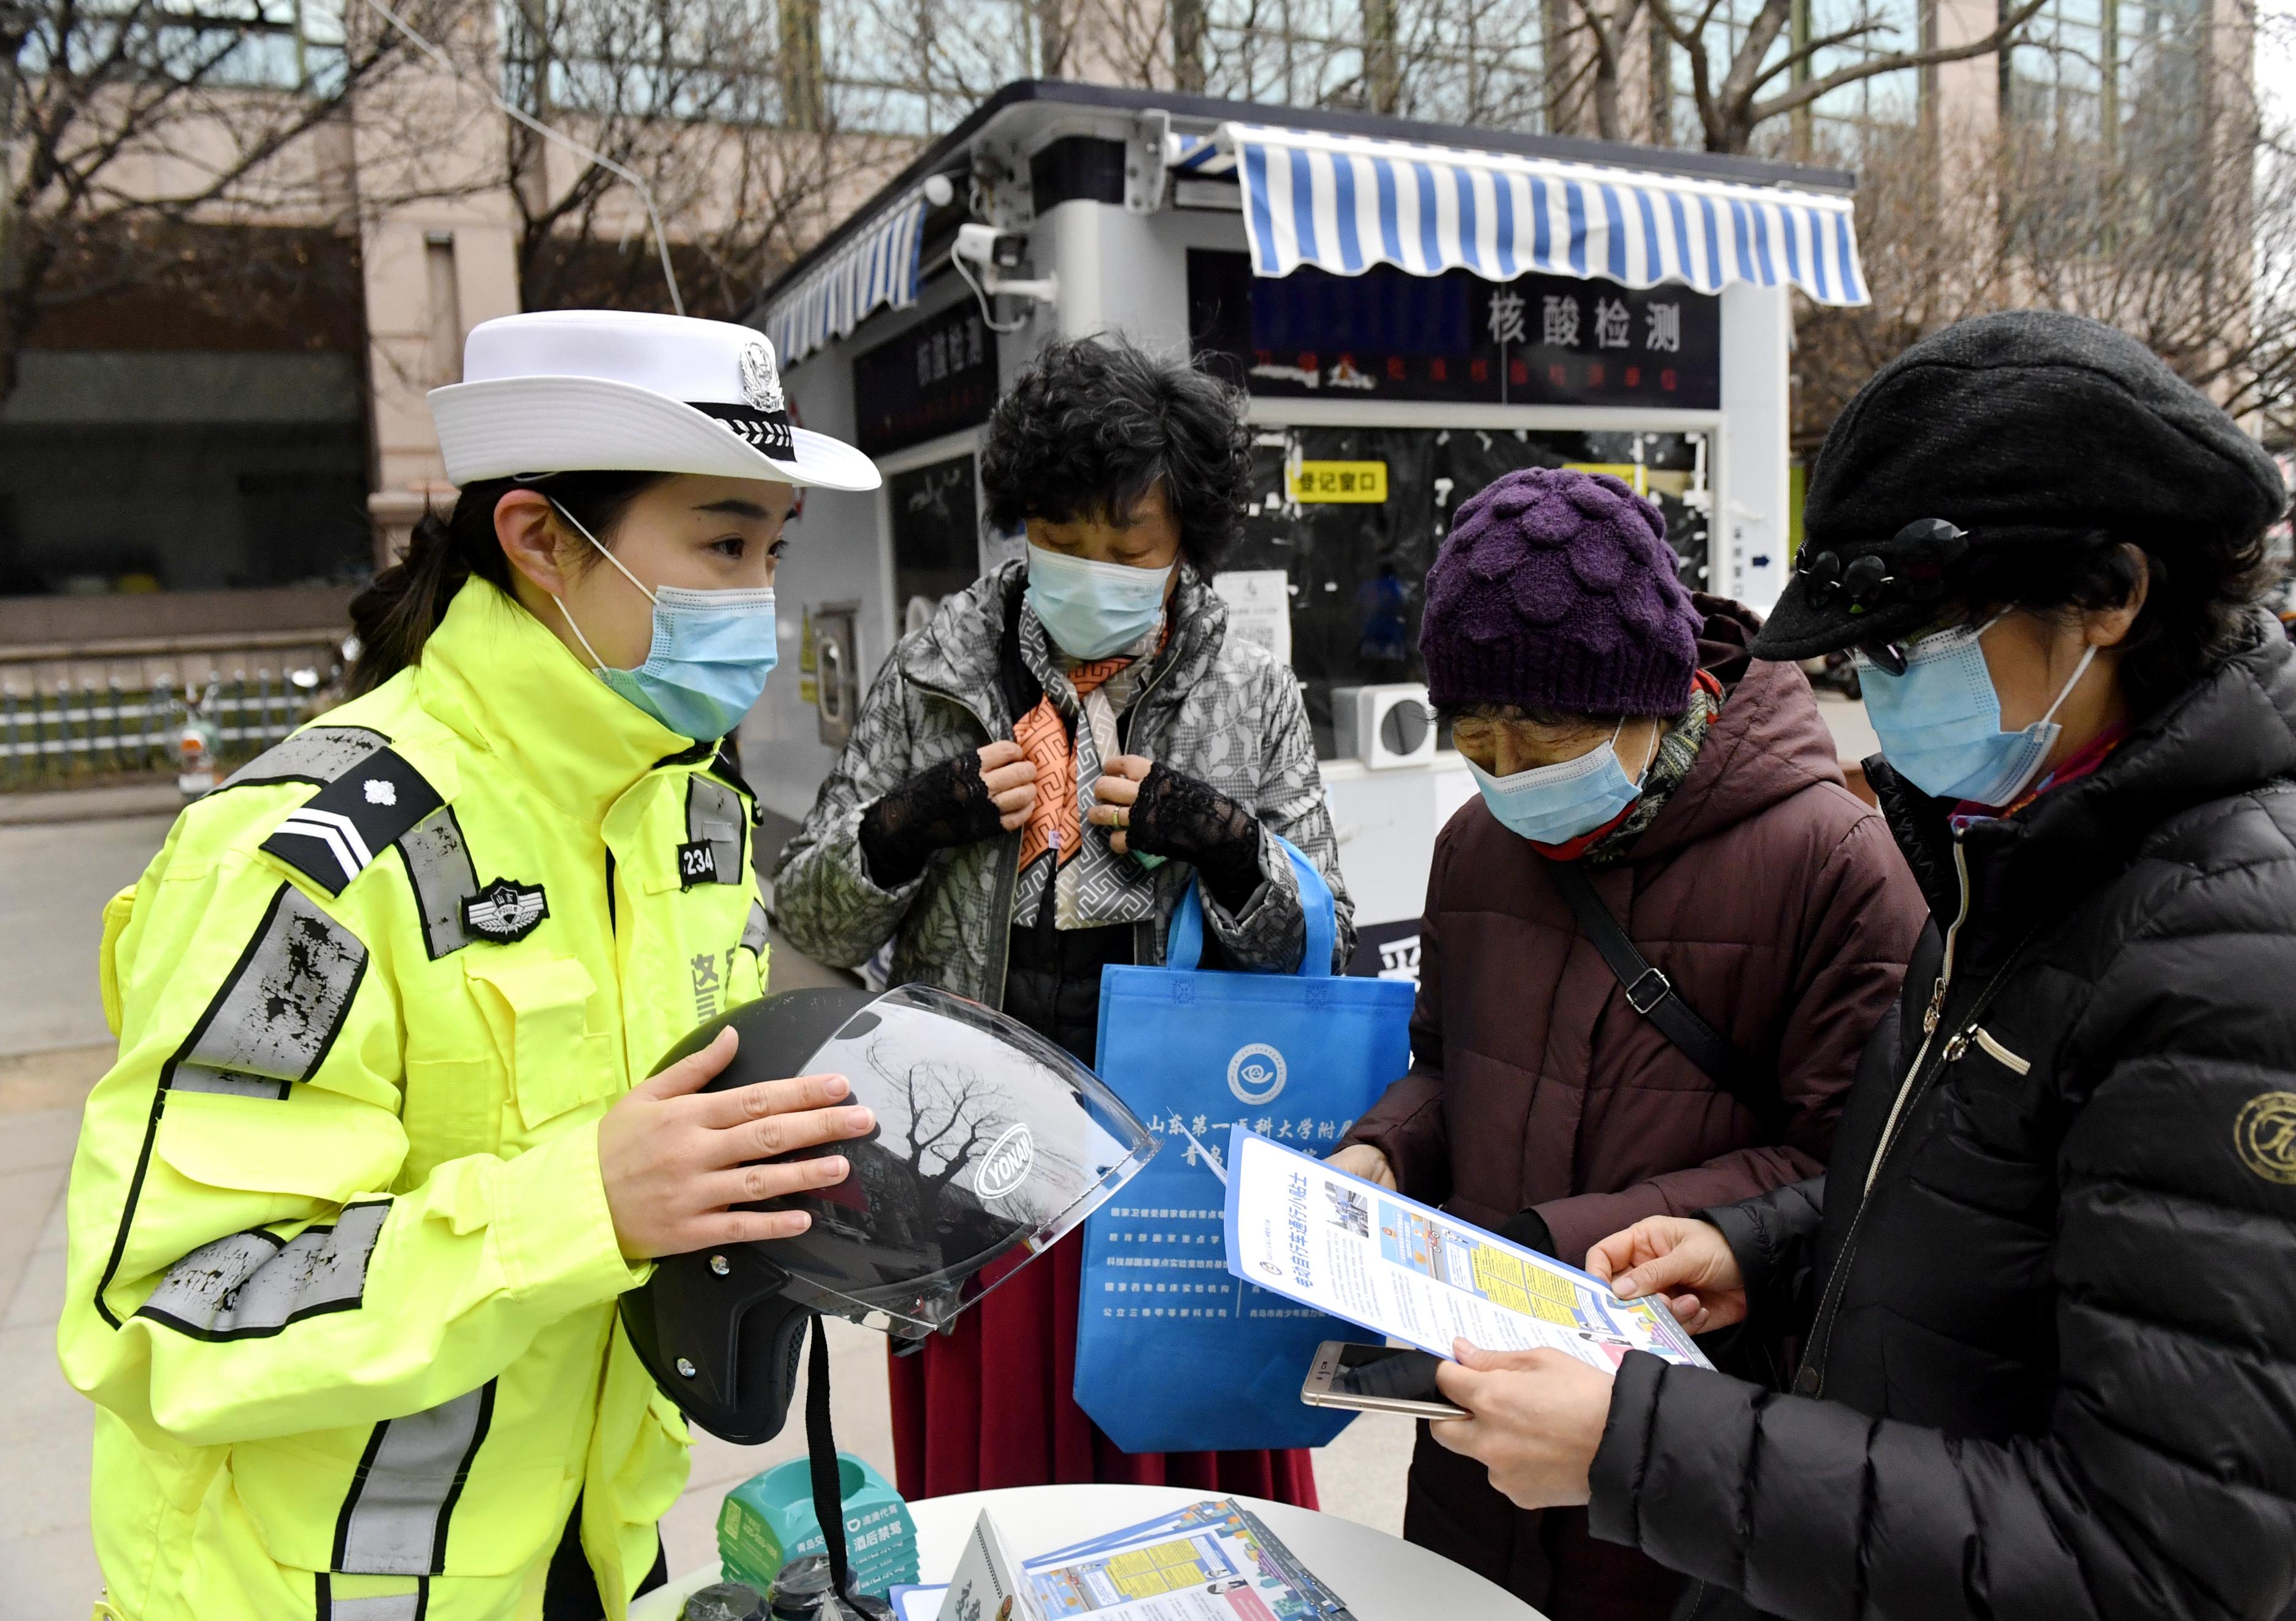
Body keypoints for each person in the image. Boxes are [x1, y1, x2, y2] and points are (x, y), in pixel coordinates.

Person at [1424, 312, 2296, 1621]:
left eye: (1913, 647)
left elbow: (2160, 1560)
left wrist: (1641, 1447)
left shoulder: (2286, 957)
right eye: (1863, 657)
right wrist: (1763, 1246)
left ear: (2114, 593)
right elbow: (1985, 1206)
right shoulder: (2015, 860)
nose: (1882, 697)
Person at [58, 310, 883, 1620]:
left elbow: (678, 1169)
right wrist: (585, 1207)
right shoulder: (302, 859)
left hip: (594, 1553)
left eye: (772, 551)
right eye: (723, 544)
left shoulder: (694, 825)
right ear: (541, 538)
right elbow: (169, 1313)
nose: (760, 604)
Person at [1323, 466, 1923, 1620]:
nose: (1511, 779)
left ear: (1654, 692)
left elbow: (1853, 1168)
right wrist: (1385, 1152)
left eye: (1542, 738)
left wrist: (1557, 1241)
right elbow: (1449, 1062)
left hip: (1687, 1427)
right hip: (1475, 1411)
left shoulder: (1835, 864)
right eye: (1475, 744)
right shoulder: (1472, 847)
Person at [771, 337, 1352, 1506]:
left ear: (1187, 540)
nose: (1093, 568)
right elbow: (810, 916)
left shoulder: (1250, 694)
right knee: (1001, 1471)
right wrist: (904, 825)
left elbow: (1314, 946)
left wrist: (1230, 846)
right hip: (970, 1151)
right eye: (1061, 541)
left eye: (1126, 547)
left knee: (1185, 1467)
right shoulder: (933, 673)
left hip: (1172, 1153)